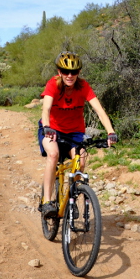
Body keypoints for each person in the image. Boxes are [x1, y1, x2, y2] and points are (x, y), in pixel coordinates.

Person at [39, 51, 117, 217]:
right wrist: (47, 126)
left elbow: (99, 111)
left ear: (78, 73)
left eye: (73, 72)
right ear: (59, 72)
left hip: (74, 133)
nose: (69, 75)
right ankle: (46, 201)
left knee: (80, 164)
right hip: (52, 129)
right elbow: (46, 108)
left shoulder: (83, 86)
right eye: (65, 72)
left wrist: (111, 132)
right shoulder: (53, 84)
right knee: (53, 154)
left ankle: (71, 200)